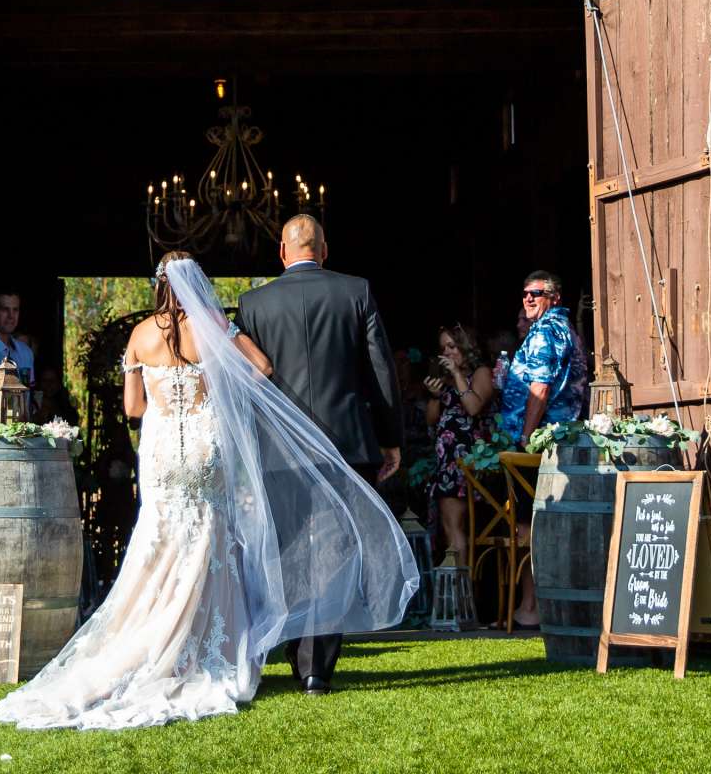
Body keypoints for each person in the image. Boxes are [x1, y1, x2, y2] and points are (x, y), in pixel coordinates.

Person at [0, 250, 416, 731]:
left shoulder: (139, 335)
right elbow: (261, 368)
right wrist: (220, 391)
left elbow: (134, 409)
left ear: (158, 284)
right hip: (202, 445)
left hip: (160, 455)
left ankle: (152, 638)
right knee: (207, 542)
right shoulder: (211, 324)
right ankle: (203, 646)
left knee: (161, 543)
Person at [234, 215, 404, 695]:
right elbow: (381, 371)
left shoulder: (254, 303)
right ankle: (316, 667)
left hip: (278, 449)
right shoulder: (357, 292)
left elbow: (244, 384)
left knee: (287, 547)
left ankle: (296, 649)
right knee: (333, 551)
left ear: (283, 253)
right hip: (345, 443)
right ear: (324, 250)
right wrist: (390, 438)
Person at [494, 269, 588, 627]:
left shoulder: (547, 332)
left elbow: (540, 388)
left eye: (537, 293)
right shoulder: (564, 331)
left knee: (529, 526)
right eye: (525, 294)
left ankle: (530, 609)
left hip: (540, 446)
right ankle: (533, 607)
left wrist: (526, 436)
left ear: (555, 298)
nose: (529, 299)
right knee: (539, 524)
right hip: (554, 444)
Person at [420, 324, 494, 566]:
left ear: (465, 345)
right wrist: (433, 396)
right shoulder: (446, 380)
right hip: (447, 461)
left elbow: (473, 407)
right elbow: (431, 420)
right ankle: (459, 590)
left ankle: (463, 595)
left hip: (469, 460)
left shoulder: (480, 373)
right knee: (448, 527)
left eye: (452, 346)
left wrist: (458, 376)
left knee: (454, 527)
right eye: (443, 348)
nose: (447, 352)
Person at [0, 292, 37, 386]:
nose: (11, 316)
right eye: (5, 309)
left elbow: (30, 392)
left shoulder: (26, 352)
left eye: (15, 310)